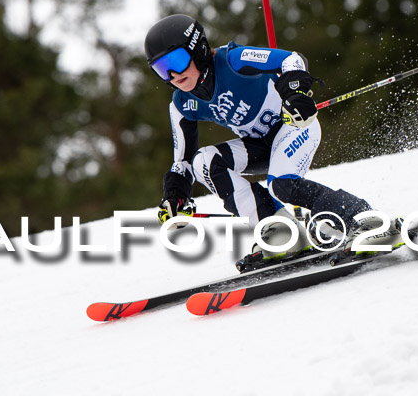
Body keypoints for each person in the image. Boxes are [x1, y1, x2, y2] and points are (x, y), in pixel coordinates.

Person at [144, 14, 401, 264]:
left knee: (282, 184)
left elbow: (291, 60)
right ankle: (280, 230)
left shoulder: (233, 60)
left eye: (176, 61)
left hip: (293, 125)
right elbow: (184, 162)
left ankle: (368, 221)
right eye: (161, 69)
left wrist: (296, 93)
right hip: (260, 145)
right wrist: (175, 195)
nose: (173, 75)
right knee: (203, 162)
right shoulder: (182, 103)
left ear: (197, 49)